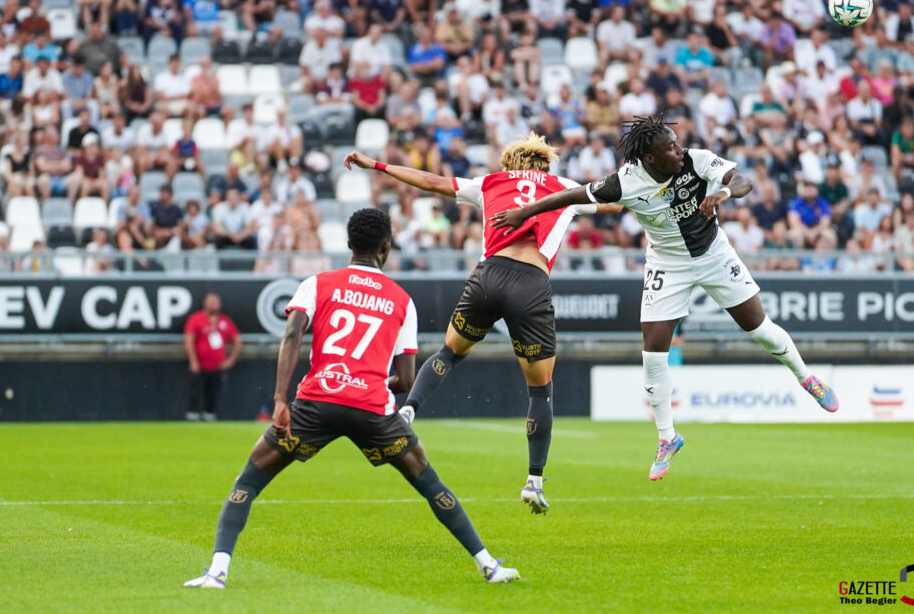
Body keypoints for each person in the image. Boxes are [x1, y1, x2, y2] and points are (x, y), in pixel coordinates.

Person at [184, 209, 519, 589]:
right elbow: (407, 379)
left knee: (249, 481)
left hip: (314, 405)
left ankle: (217, 571)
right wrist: (371, 381)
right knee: (430, 483)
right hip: (372, 411)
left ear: (348, 244)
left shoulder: (317, 283)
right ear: (386, 247)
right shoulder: (401, 300)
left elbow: (292, 335)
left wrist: (280, 400)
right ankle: (489, 565)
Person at [491, 114, 839, 481]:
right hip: (667, 266)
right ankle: (667, 437)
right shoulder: (625, 183)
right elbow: (572, 195)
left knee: (760, 329)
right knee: (652, 353)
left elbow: (742, 180)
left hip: (714, 255)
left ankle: (806, 378)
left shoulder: (697, 160)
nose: (679, 150)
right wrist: (523, 213)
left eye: (677, 143)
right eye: (670, 147)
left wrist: (722, 193)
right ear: (651, 158)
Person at [343, 134, 619, 512]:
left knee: (450, 352)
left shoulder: (489, 183)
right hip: (531, 283)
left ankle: (408, 409)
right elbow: (612, 201)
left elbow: (431, 181)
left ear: (510, 164)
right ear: (545, 165)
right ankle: (534, 482)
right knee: (540, 391)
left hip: (489, 275)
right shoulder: (565, 188)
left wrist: (376, 165)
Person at [182, 292, 242, 422]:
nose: (213, 305)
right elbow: (189, 340)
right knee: (196, 390)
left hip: (217, 365)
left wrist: (230, 360)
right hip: (200, 363)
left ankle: (209, 414)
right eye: (211, 302)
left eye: (215, 302)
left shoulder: (224, 321)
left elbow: (237, 340)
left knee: (213, 391)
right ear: (205, 303)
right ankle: (192, 414)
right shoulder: (197, 319)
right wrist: (193, 361)